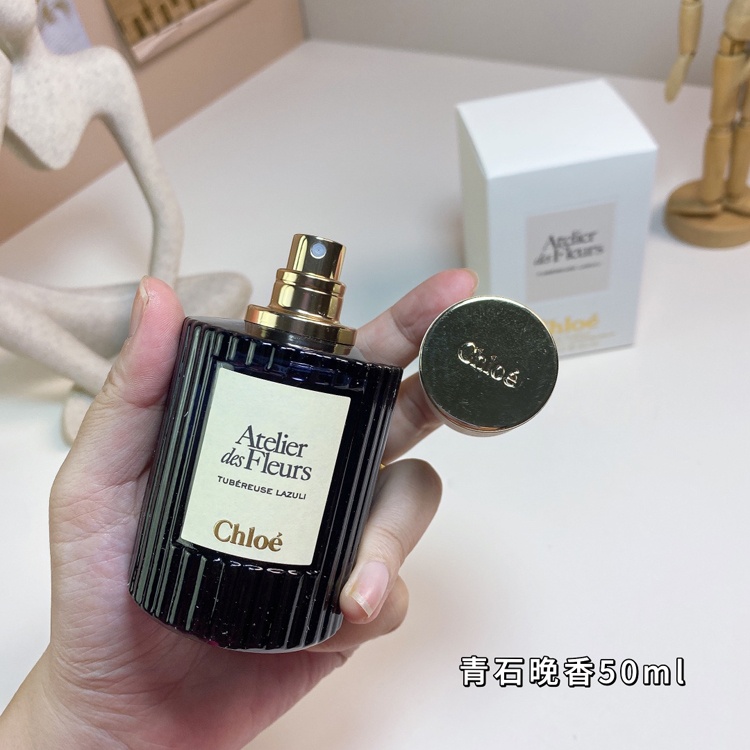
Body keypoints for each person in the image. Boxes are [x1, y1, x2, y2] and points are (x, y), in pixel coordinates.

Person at [0, 268, 477, 749]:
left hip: (221, 614)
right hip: (161, 606)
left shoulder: (353, 379)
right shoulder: (214, 343)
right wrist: (85, 720)